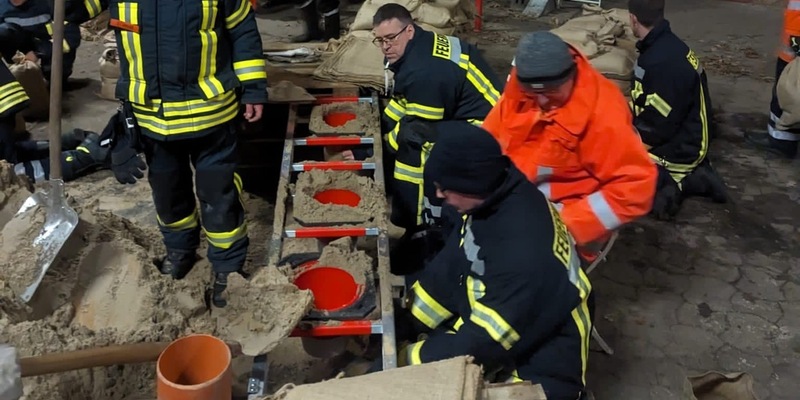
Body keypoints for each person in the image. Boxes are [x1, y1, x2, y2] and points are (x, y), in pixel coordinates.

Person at [67, 0, 269, 307]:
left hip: (211, 116)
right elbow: (73, 10)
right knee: (168, 194)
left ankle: (228, 268)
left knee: (219, 196)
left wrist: (253, 88)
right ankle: (179, 251)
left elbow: (243, 32)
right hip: (152, 121)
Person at [401, 121, 592, 400]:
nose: (440, 195)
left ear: (471, 185)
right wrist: (407, 321)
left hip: (541, 370)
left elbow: (484, 344)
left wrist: (406, 360)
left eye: (445, 188)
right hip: (508, 323)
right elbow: (453, 265)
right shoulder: (495, 198)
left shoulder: (522, 253)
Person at [481, 31, 657, 259]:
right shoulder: (519, 93)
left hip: (561, 220)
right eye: (534, 93)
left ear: (571, 77)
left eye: (551, 92)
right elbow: (490, 141)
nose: (542, 101)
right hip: (516, 205)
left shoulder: (603, 114)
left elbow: (635, 188)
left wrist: (564, 224)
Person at [366, 3, 503, 272]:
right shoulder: (418, 50)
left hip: (485, 130)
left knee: (412, 149)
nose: (385, 47)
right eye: (379, 41)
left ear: (409, 30)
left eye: (390, 38)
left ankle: (423, 226)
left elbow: (418, 130)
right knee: (407, 135)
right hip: (461, 114)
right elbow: (403, 101)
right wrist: (378, 127)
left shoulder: (426, 72)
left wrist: (374, 152)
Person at [628, 0, 727, 220]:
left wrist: (624, 149)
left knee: (616, 178)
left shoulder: (663, 62)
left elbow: (658, 127)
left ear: (633, 19)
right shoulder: (662, 47)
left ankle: (681, 183)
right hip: (679, 128)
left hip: (681, 147)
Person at [0, 61, 108, 183]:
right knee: (7, 153)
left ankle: (84, 157)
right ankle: (62, 148)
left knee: (7, 172)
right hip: (4, 97)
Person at [744, 0, 800, 159]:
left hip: (796, 39)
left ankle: (781, 141)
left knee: (788, 90)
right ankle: (781, 138)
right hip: (793, 35)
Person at [0, 0, 82, 82]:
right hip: (21, 46)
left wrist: (38, 53)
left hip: (47, 44)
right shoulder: (2, 5)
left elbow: (71, 37)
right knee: (3, 31)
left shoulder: (52, 3)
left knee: (56, 70)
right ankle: (19, 74)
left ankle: (56, 81)